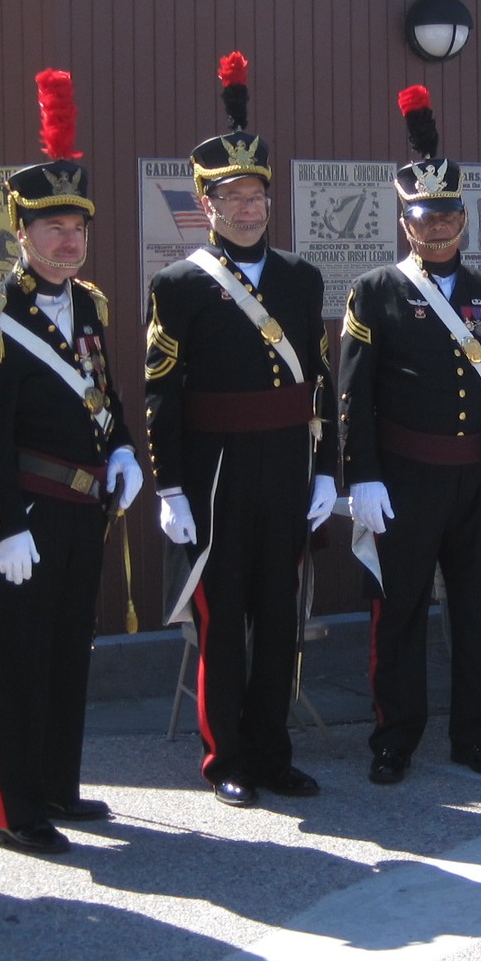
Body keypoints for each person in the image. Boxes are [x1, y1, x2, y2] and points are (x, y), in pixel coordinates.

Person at [0, 70, 141, 856]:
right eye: (52, 226)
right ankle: (15, 807)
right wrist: (5, 528)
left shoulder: (91, 304)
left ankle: (59, 784)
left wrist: (123, 445)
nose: (68, 240)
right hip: (22, 516)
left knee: (68, 655)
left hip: (80, 511)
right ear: (20, 232)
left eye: (77, 226)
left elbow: (104, 390)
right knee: (19, 664)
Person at [145, 52, 337, 807]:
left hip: (287, 462)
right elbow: (162, 387)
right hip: (216, 471)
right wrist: (170, 484)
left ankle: (273, 748)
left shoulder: (300, 277)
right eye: (232, 196)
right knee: (223, 621)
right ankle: (225, 756)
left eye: (257, 194)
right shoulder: (180, 283)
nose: (248, 207)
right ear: (206, 204)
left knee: (280, 613)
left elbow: (318, 378)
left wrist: (328, 471)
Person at [340, 87, 481, 784]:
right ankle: (395, 737)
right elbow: (351, 392)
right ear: (406, 221)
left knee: (475, 617)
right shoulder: (376, 291)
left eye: (450, 213)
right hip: (405, 483)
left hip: (475, 483)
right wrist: (359, 473)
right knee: (400, 616)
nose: (441, 225)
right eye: (427, 216)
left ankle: (476, 737)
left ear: (463, 216)